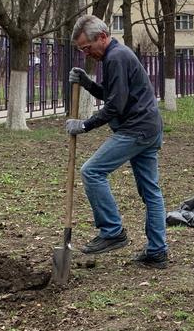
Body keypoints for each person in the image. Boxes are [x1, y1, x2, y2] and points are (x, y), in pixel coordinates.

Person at [66, 15, 168, 269]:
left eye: (87, 48)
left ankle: (112, 231)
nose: (87, 54)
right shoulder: (115, 56)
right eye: (82, 50)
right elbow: (115, 95)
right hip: (149, 127)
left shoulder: (116, 57)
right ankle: (157, 252)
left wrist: (85, 125)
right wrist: (88, 84)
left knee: (91, 171)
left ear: (102, 37)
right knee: (150, 192)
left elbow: (115, 106)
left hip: (136, 130)